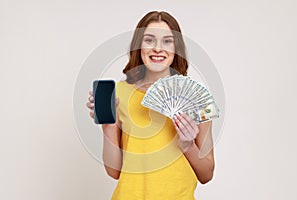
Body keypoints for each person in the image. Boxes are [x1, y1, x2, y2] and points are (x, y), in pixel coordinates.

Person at [86, 11, 215, 200]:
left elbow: (207, 174)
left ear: (176, 48)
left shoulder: (200, 99)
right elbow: (114, 172)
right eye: (149, 40)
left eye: (167, 41)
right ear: (138, 46)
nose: (157, 48)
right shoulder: (120, 93)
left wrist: (187, 145)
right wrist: (108, 126)